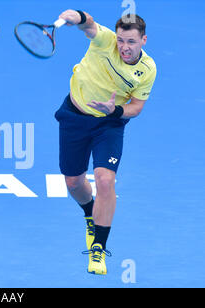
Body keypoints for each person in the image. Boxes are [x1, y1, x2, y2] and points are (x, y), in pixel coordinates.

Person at [54, 9, 157, 275]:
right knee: (73, 183)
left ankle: (98, 248)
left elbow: (137, 106)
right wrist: (76, 15)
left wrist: (116, 112)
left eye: (131, 42)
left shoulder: (148, 70)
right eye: (121, 40)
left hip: (109, 124)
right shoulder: (105, 41)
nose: (124, 47)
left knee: (105, 180)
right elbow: (88, 25)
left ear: (143, 41)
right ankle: (90, 212)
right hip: (74, 117)